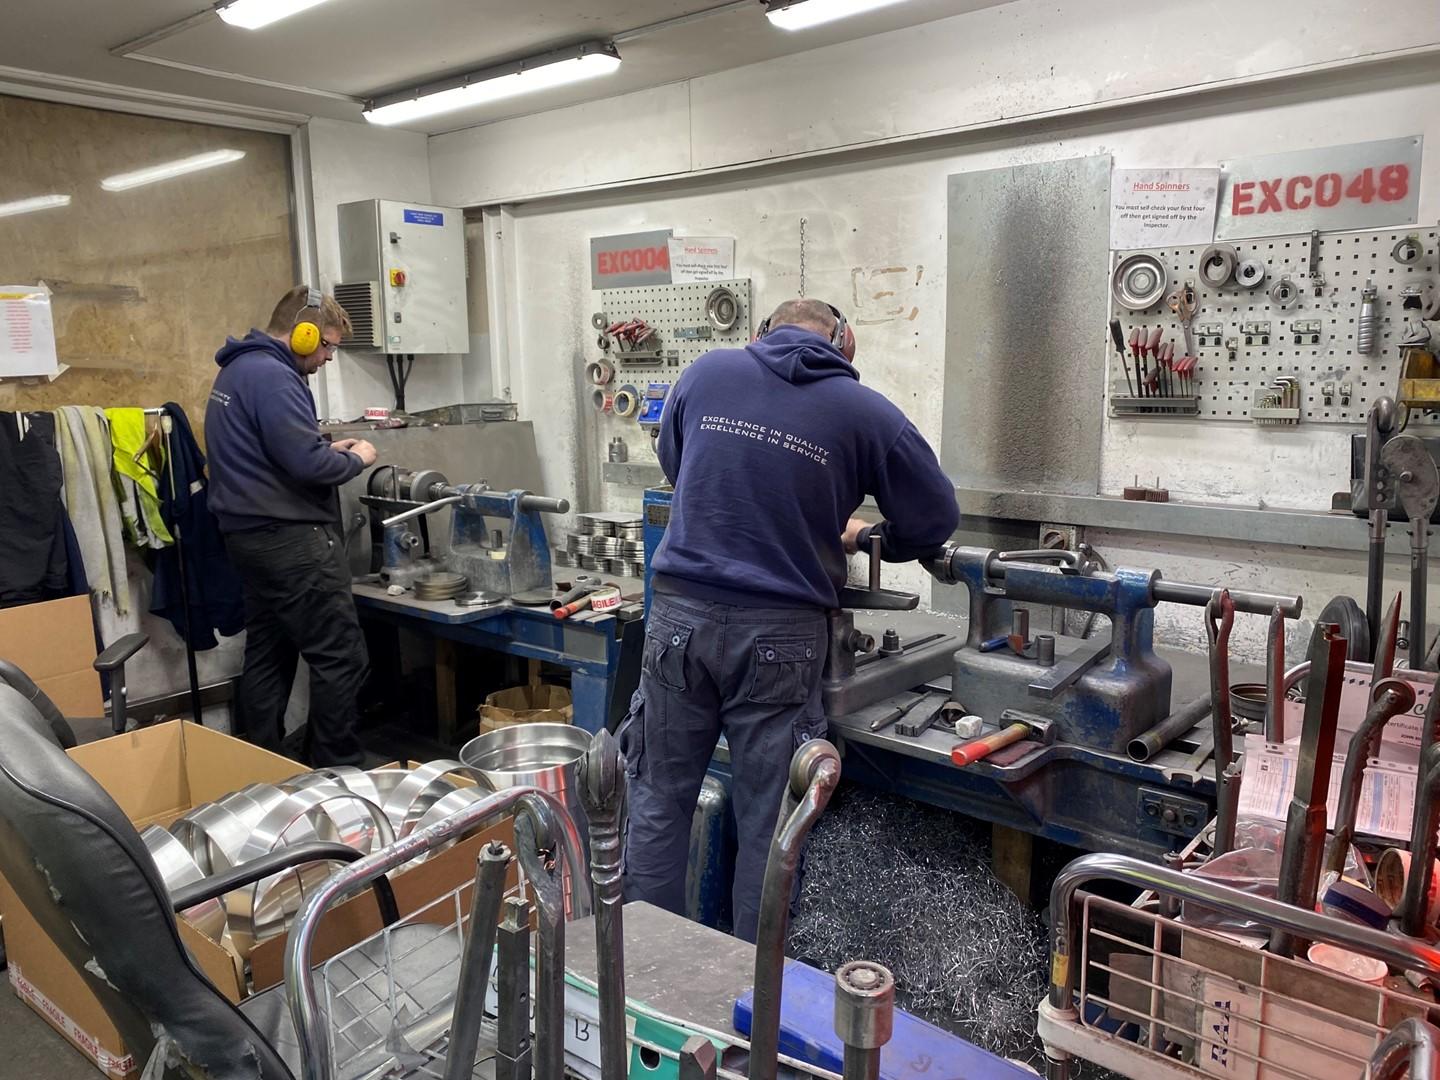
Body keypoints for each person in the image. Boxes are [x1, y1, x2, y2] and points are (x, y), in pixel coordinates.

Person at [623, 297, 959, 941]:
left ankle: (642, 975)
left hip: (678, 623)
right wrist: (869, 533)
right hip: (780, 637)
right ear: (847, 342)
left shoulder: (704, 374)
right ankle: (753, 996)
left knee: (659, 799)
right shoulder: (867, 413)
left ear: (759, 334)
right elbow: (934, 520)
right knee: (771, 823)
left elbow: (679, 467)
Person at [205, 286, 378, 767]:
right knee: (341, 659)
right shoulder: (274, 377)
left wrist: (324, 451)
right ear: (301, 334)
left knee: (269, 652)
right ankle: (335, 771)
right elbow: (308, 467)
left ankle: (266, 767)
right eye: (326, 345)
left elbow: (275, 455)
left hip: (250, 541)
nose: (327, 357)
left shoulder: (237, 369)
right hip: (292, 544)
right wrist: (356, 459)